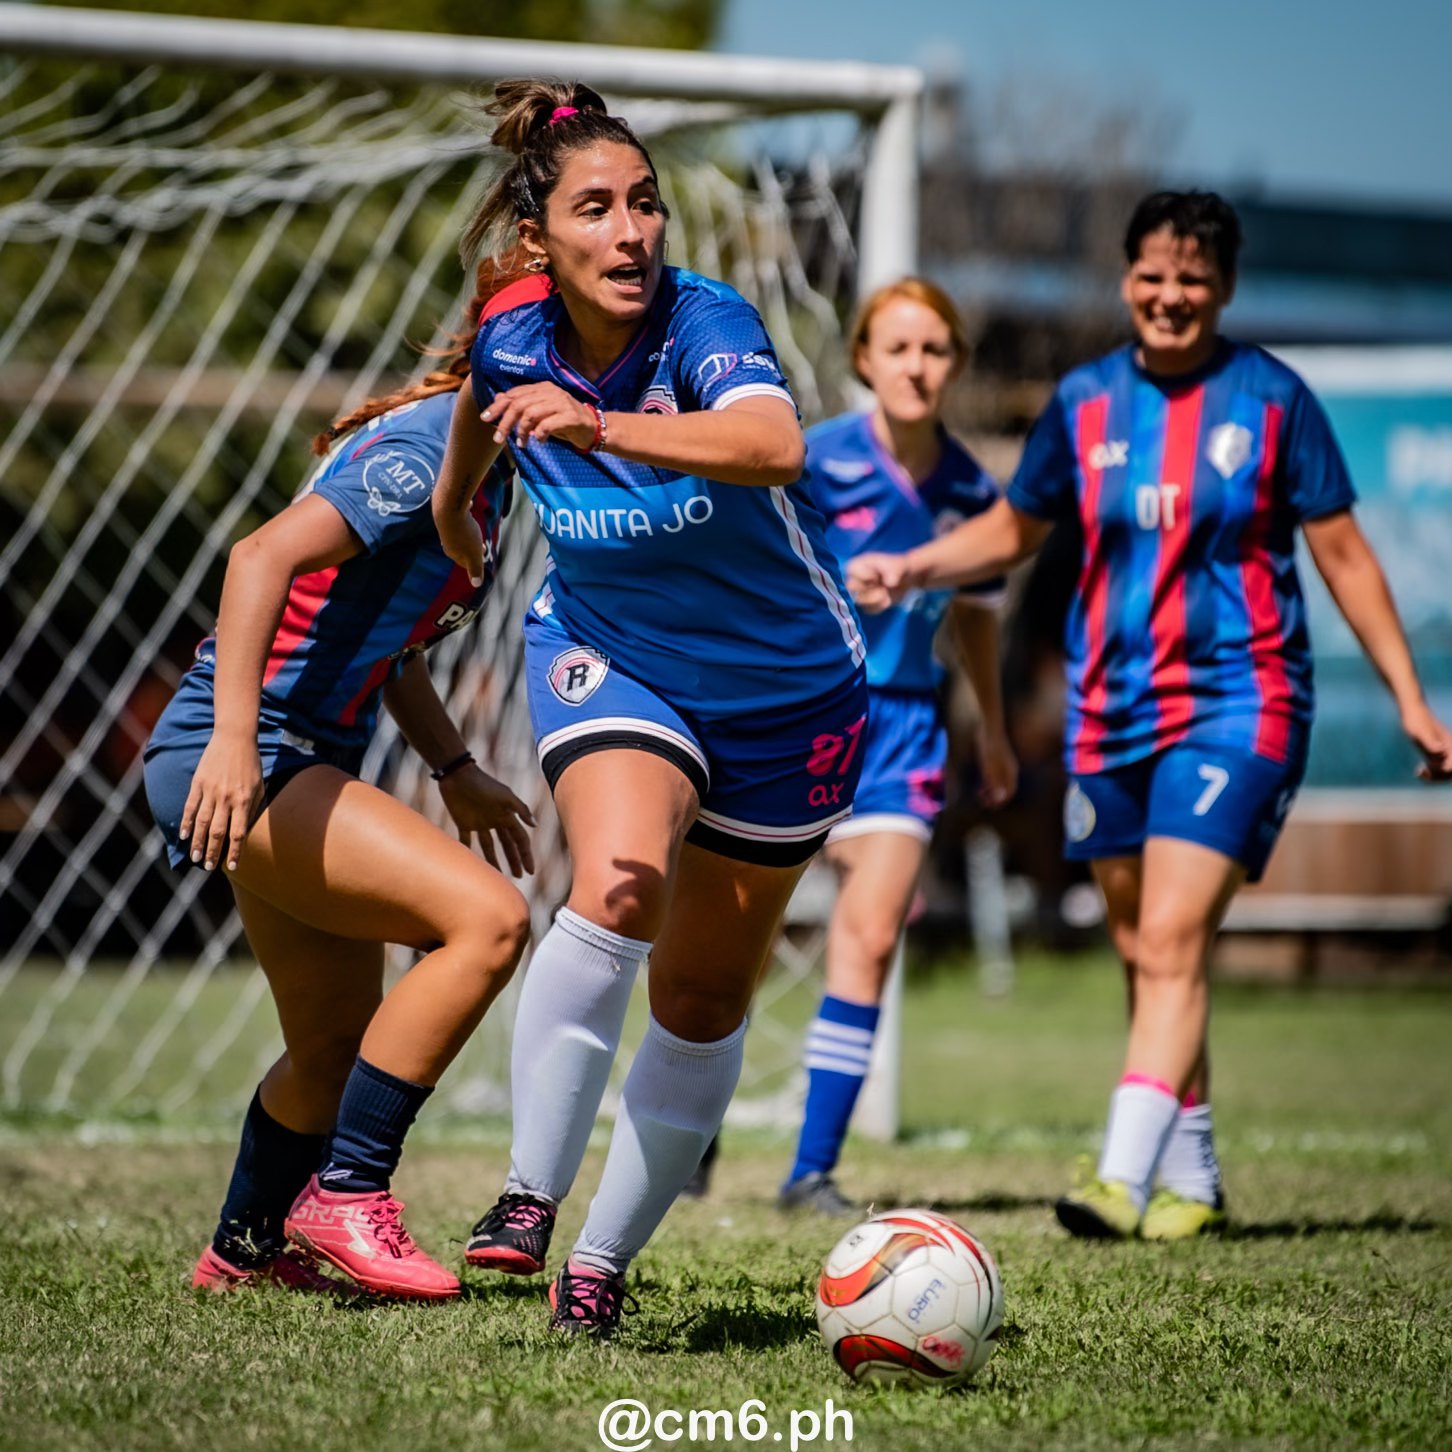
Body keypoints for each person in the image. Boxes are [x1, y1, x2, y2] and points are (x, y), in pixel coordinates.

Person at [849, 190, 1452, 1241]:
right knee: (1143, 947)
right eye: (1153, 275)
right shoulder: (1084, 402)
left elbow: (1344, 554)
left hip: (1240, 702)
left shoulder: (1272, 399)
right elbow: (1014, 528)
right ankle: (1195, 1178)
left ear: (1223, 288)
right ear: (1129, 280)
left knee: (1172, 934)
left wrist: (1410, 695)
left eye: (1193, 277)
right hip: (1109, 712)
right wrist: (915, 564)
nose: (1171, 295)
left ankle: (1118, 1179)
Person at [432, 79, 868, 1336]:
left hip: (790, 698)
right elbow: (482, 394)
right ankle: (525, 1197)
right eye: (596, 210)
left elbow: (775, 445)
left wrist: (603, 422)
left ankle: (600, 1263)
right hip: (610, 652)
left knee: (698, 1001)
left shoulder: (706, 321)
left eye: (646, 205)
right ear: (540, 241)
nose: (631, 234)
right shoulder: (512, 327)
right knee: (616, 884)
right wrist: (463, 501)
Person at [143, 298, 534, 1300]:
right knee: (488, 922)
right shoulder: (420, 448)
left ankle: (240, 1254)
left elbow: (391, 650)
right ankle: (348, 1195)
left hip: (296, 753)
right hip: (248, 749)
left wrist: (456, 769)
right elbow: (257, 559)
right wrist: (235, 743)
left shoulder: (483, 483)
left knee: (328, 1051)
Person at [776, 277, 1017, 1215]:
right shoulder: (810, 461)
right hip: (797, 719)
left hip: (908, 725)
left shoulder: (972, 491)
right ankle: (699, 1126)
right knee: (735, 940)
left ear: (953, 364)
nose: (917, 365)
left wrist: (993, 729)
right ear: (865, 361)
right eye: (898, 347)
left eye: (935, 349)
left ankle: (810, 1173)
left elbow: (981, 621)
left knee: (869, 938)